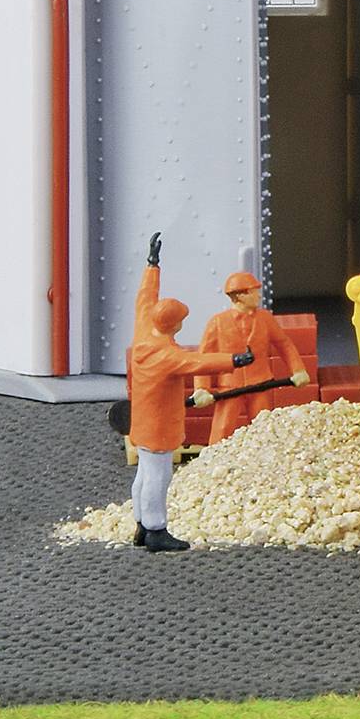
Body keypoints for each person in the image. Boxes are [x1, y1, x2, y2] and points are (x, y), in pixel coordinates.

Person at [124, 234, 251, 552]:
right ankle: (155, 530)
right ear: (174, 326)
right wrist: (234, 360)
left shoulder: (144, 328)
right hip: (159, 427)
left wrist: (152, 265)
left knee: (143, 474)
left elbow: (144, 298)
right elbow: (198, 361)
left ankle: (140, 524)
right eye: (181, 321)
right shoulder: (167, 355)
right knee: (158, 478)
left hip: (141, 421)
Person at [197, 270, 310, 440]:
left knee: (263, 427)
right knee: (222, 429)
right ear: (240, 295)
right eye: (253, 291)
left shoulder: (265, 318)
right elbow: (204, 358)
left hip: (260, 384)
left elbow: (284, 344)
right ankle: (212, 462)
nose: (258, 295)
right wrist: (201, 388)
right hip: (230, 387)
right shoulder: (217, 322)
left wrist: (298, 370)